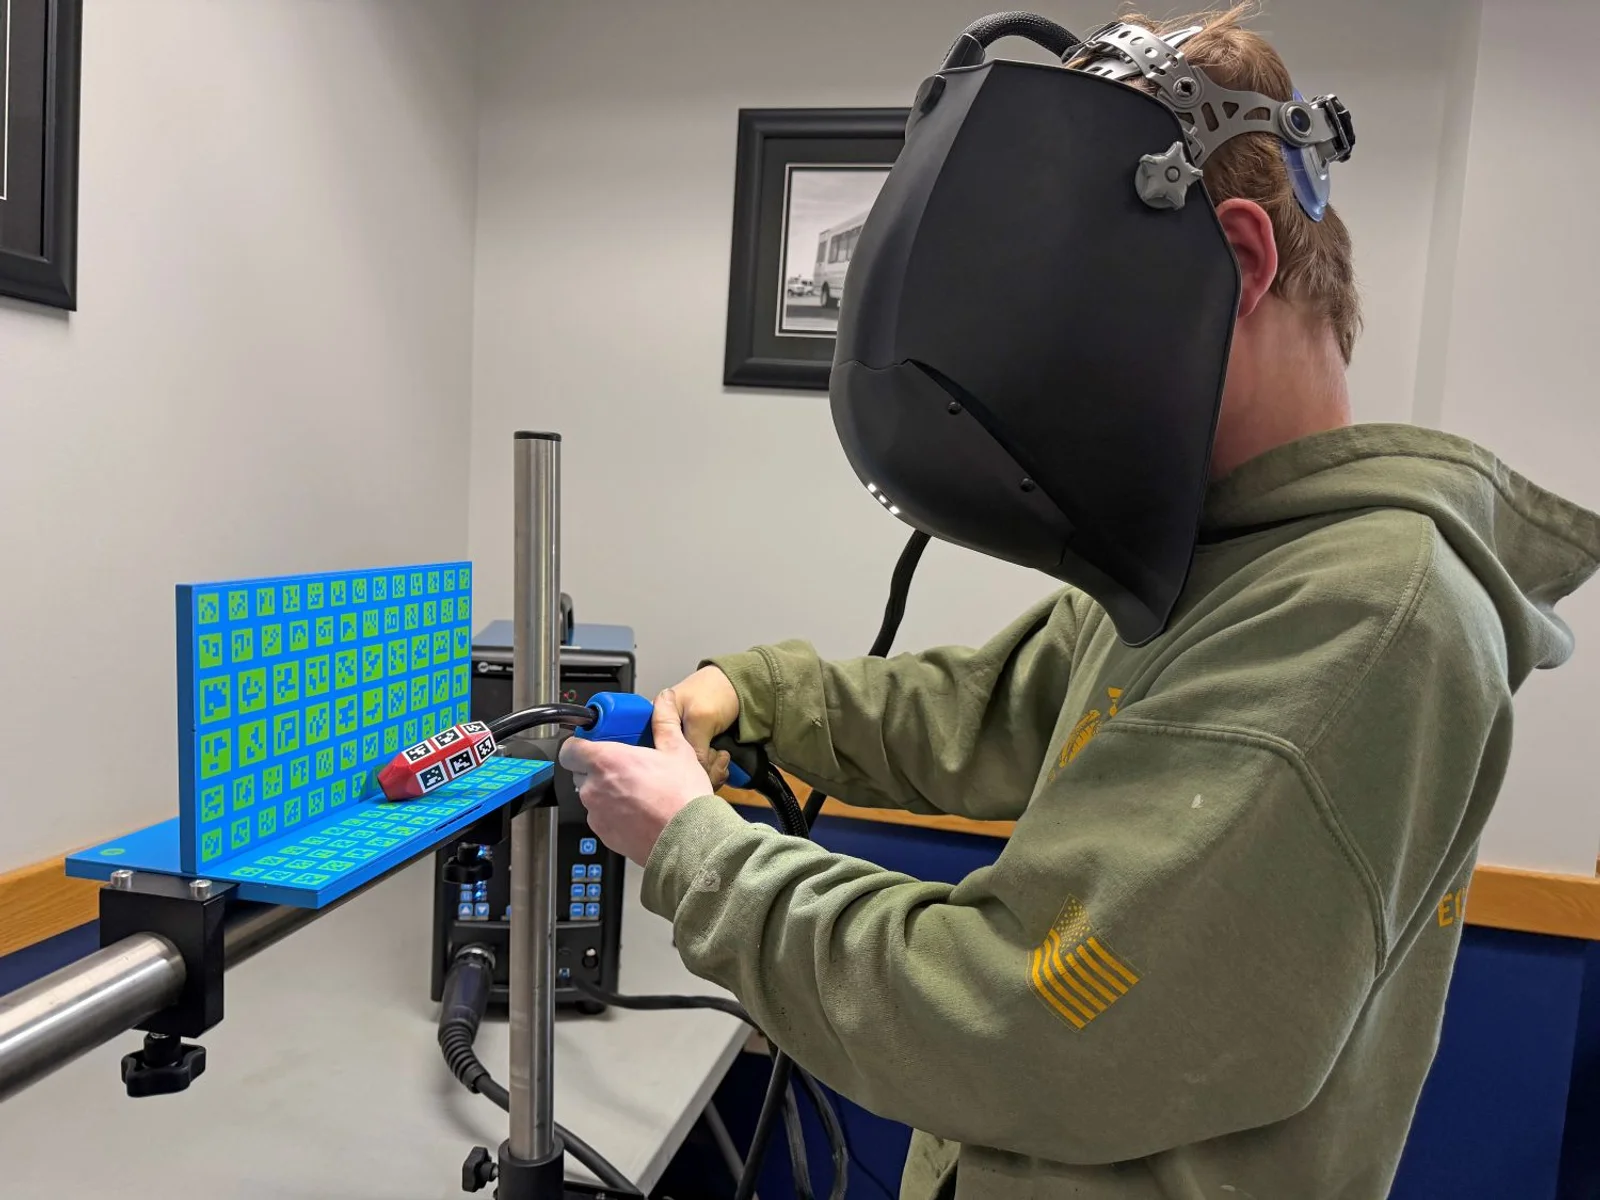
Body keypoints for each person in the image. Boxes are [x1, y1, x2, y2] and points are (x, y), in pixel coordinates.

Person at [560, 9, 1600, 1199]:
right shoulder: (1212, 551)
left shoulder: (1364, 618)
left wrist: (694, 849)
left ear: (1240, 262)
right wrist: (763, 694)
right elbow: (991, 710)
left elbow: (1015, 1019)